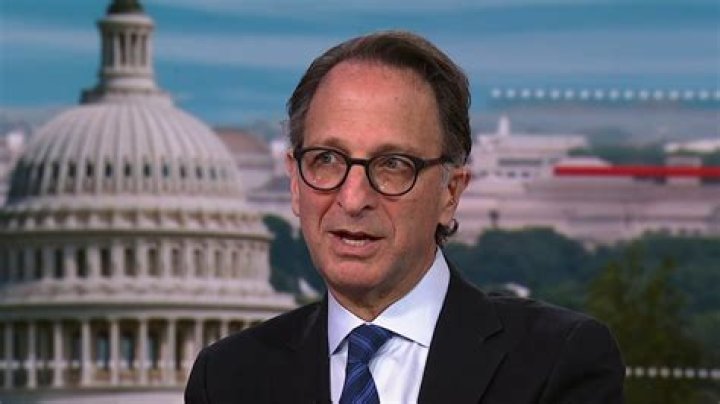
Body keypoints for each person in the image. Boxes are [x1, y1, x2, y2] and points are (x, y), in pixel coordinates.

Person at [185, 30, 625, 404]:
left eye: (393, 165)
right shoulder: (227, 379)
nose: (353, 199)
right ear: (295, 182)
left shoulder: (557, 361)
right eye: (326, 160)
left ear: (450, 193)